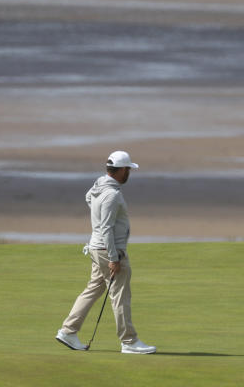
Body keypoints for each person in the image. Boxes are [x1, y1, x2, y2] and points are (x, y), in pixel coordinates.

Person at [55, 150, 157, 354]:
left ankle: (68, 331)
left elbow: (88, 198)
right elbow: (107, 228)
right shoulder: (111, 194)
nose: (129, 172)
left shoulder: (98, 187)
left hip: (95, 247)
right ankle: (129, 341)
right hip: (108, 250)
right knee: (120, 296)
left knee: (93, 289)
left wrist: (97, 213)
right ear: (120, 171)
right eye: (128, 169)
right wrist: (113, 257)